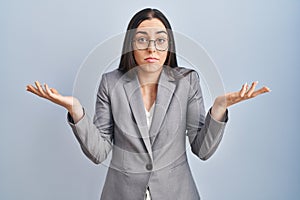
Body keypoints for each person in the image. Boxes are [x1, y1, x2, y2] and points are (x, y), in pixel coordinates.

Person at [26, 8, 270, 200]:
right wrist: (76, 111)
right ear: (131, 44)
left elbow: (202, 150)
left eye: (160, 40)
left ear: (168, 45)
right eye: (142, 39)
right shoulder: (110, 83)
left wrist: (218, 109)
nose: (151, 47)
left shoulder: (187, 81)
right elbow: (99, 152)